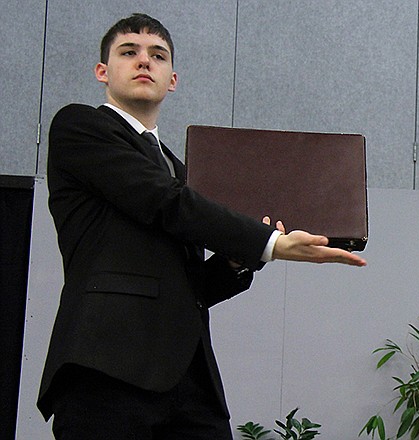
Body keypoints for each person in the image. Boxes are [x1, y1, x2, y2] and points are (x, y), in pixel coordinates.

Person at [38, 13, 366, 440]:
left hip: (190, 382)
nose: (144, 62)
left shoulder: (178, 167)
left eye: (158, 55)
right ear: (103, 71)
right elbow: (165, 202)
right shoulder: (80, 125)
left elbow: (189, 287)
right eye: (129, 52)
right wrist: (269, 242)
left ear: (172, 79)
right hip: (107, 367)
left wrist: (234, 261)